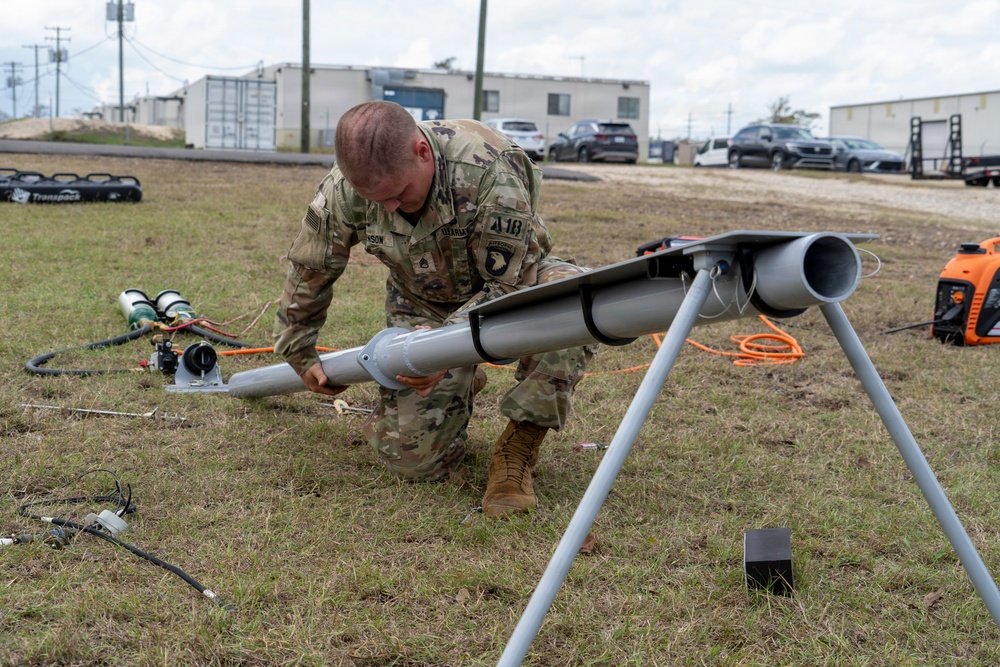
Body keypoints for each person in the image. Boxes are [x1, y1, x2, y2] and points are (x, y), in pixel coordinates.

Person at [273, 100, 594, 517]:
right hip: (420, 301)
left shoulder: (489, 170)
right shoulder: (344, 189)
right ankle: (464, 380)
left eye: (398, 194)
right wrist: (300, 350)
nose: (388, 209)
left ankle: (520, 445)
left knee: (572, 300)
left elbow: (509, 282)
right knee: (414, 463)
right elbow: (310, 268)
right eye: (376, 199)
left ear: (422, 152)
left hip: (511, 293)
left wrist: (444, 350)